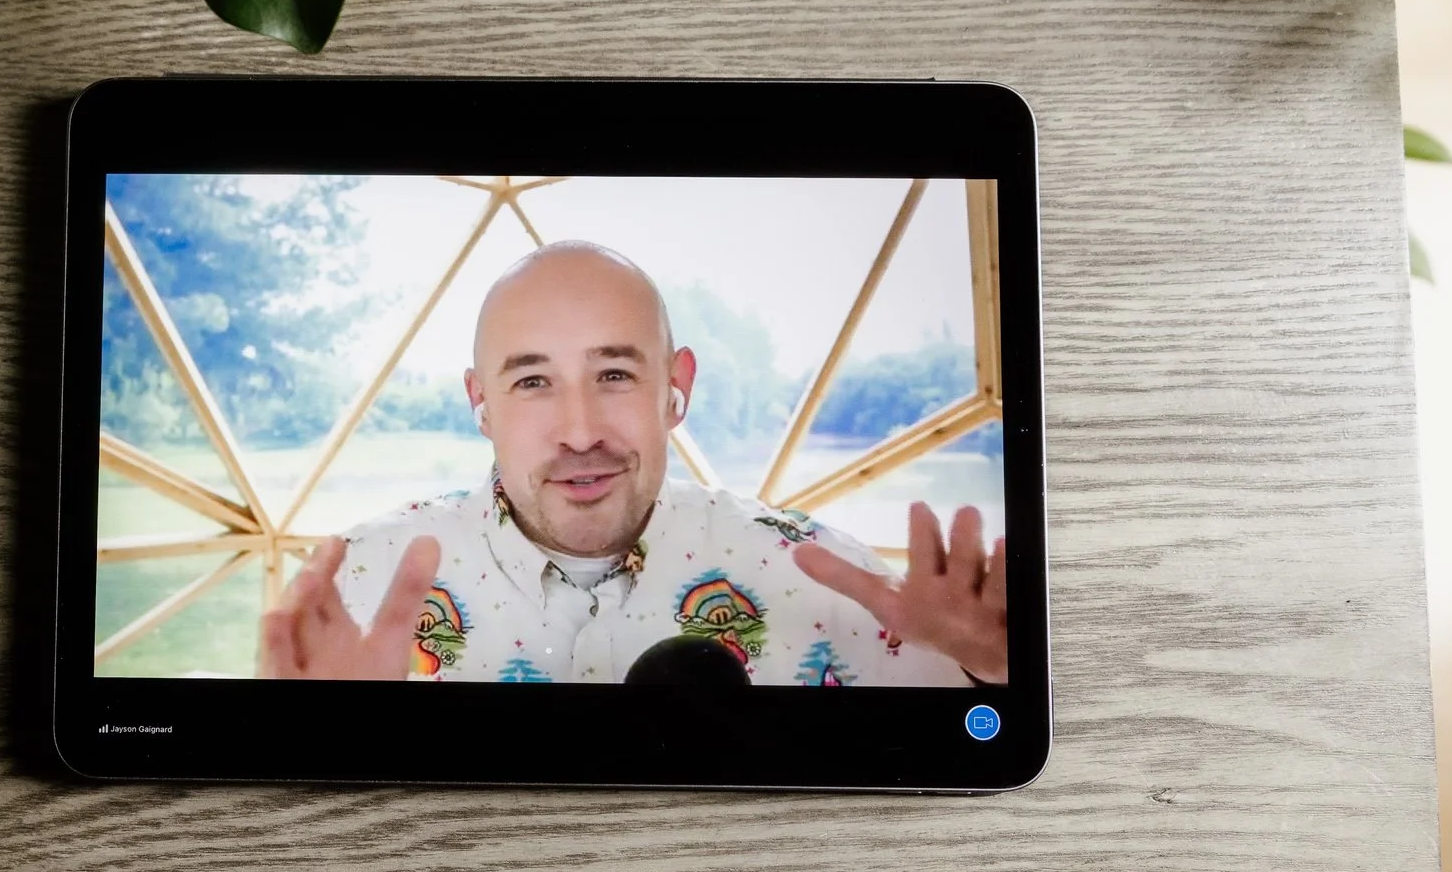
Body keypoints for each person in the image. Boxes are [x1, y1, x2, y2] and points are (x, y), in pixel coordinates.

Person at [257, 241, 1007, 685]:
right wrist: (297, 742)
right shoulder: (357, 584)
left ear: (675, 387)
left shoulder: (836, 583)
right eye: (532, 381)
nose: (580, 431)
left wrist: (991, 669)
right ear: (480, 403)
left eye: (614, 374)